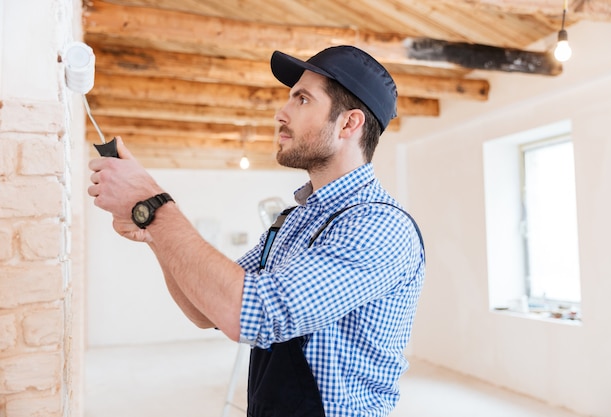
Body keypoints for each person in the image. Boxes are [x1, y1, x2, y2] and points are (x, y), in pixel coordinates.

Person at [88, 45, 426, 417]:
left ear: (349, 123)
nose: (281, 113)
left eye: (302, 99)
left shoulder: (379, 226)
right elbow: (207, 310)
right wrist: (153, 231)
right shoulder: (293, 220)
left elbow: (256, 311)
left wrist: (155, 206)